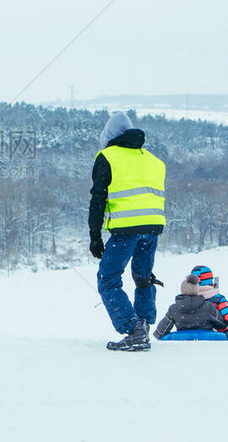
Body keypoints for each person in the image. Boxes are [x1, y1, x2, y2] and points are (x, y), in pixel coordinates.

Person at [88, 111, 166, 352]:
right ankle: (142, 324)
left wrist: (95, 235)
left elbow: (98, 199)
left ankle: (133, 330)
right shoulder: (154, 160)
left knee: (108, 279)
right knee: (143, 278)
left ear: (109, 135)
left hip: (125, 231)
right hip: (152, 228)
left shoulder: (107, 157)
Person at [152, 274, 228, 339]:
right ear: (197, 289)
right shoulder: (208, 307)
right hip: (206, 346)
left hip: (182, 348)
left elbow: (159, 333)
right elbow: (223, 324)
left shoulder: (174, 309)